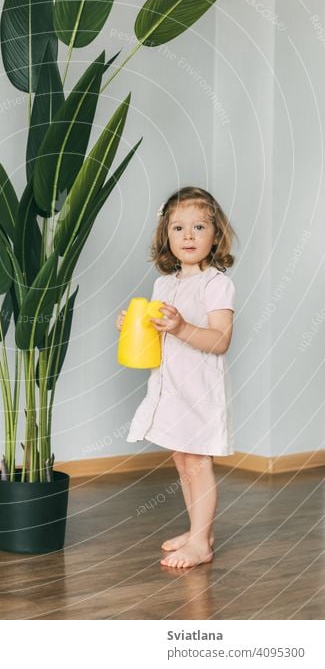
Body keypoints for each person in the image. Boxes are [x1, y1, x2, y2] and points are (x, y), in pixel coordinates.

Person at [116, 186, 237, 568]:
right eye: (178, 228)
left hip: (199, 392)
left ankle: (200, 543)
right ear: (165, 236)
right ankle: (201, 530)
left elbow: (220, 340)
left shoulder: (216, 283)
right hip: (171, 390)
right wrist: (132, 326)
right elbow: (157, 336)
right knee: (183, 462)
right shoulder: (164, 284)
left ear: (215, 235)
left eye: (199, 227)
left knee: (198, 463)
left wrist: (183, 326)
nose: (188, 236)